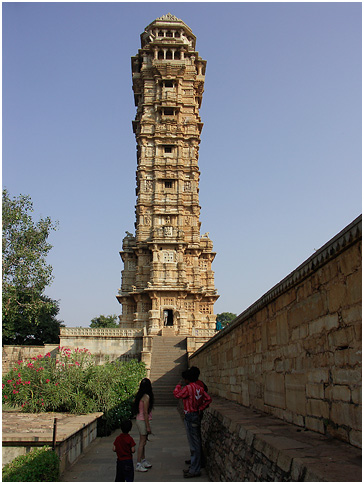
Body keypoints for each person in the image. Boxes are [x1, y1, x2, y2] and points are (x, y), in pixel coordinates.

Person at [173, 368, 212, 478]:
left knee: (194, 444)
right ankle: (195, 466)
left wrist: (177, 386)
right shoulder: (199, 388)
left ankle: (195, 469)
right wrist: (201, 408)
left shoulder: (188, 388)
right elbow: (208, 399)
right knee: (196, 442)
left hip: (190, 415)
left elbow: (177, 395)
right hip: (196, 414)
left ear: (187, 379)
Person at [132, 378, 154, 472]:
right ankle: (138, 463)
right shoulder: (146, 397)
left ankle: (143, 460)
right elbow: (145, 412)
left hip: (139, 419)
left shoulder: (139, 396)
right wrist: (148, 426)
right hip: (143, 420)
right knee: (142, 442)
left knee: (143, 441)